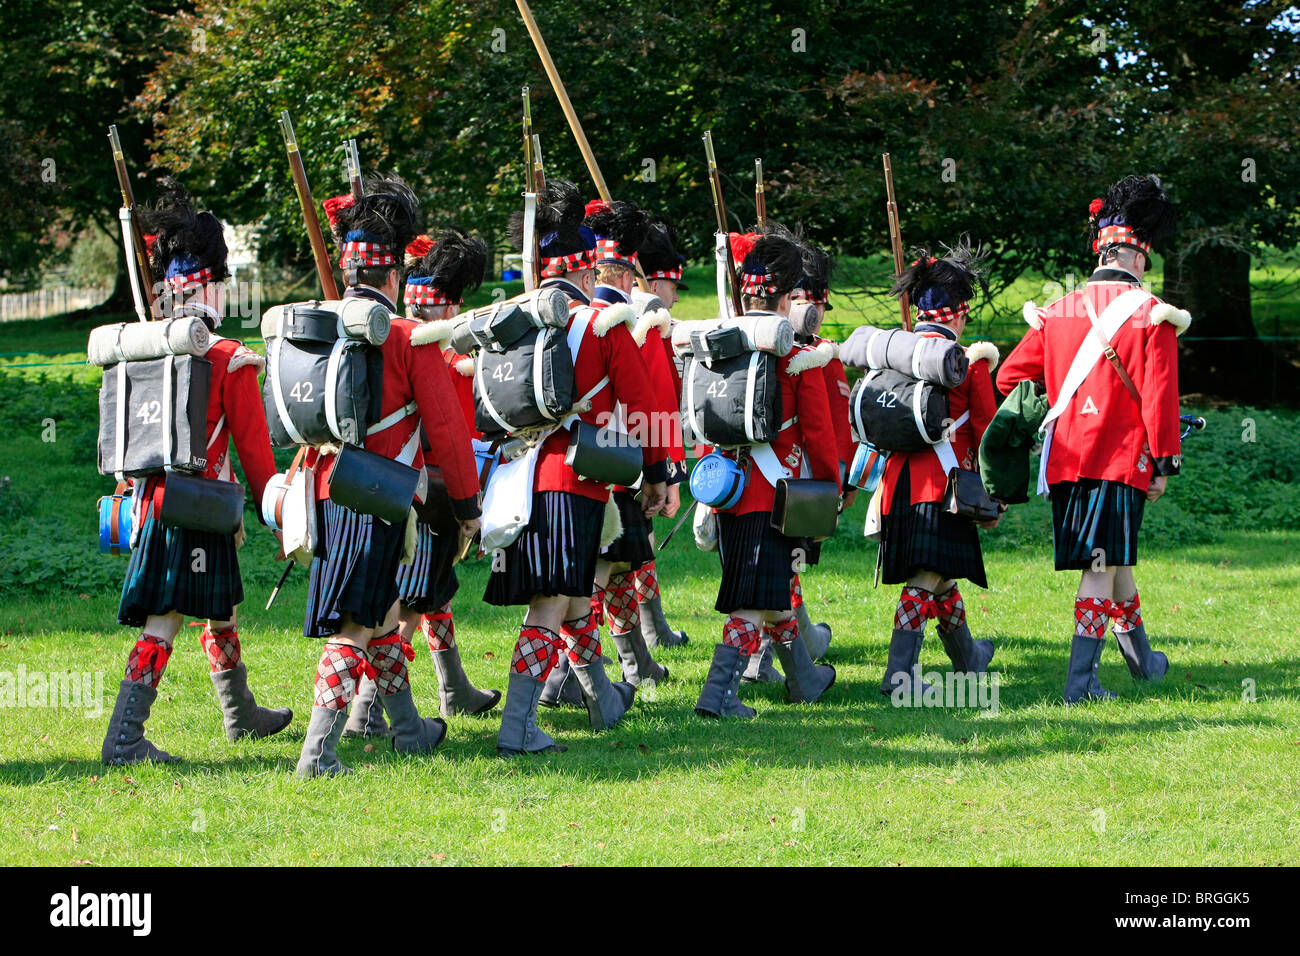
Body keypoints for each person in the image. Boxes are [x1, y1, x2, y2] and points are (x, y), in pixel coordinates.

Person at [294, 175, 482, 776]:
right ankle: (316, 753)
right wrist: (467, 505)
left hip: (323, 489)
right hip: (381, 495)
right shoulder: (409, 337)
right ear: (393, 275)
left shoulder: (314, 324)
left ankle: (407, 730)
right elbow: (449, 434)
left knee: (378, 617)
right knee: (356, 626)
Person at [100, 180, 292, 765]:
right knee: (165, 620)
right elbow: (256, 455)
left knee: (219, 609)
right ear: (209, 282)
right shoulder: (230, 359)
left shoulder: (142, 349)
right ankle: (124, 739)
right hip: (199, 504)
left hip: (154, 498)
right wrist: (278, 513)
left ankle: (241, 714)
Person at [487, 179, 671, 755]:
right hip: (578, 480)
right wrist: (661, 473)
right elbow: (643, 407)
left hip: (519, 476)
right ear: (589, 272)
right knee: (551, 602)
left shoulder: (511, 323)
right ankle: (517, 728)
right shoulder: (602, 324)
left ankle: (603, 700)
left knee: (571, 598)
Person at [997, 175, 1186, 702]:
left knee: (1115, 557)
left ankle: (1144, 663)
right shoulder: (1152, 315)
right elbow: (1159, 399)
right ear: (1136, 255)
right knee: (1101, 567)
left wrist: (1054, 409)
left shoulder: (1057, 312)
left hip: (1065, 460)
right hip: (1119, 460)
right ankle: (1080, 686)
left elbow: (1009, 379)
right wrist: (1164, 463)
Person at [341, 229, 500, 740]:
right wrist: (467, 502)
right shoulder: (439, 354)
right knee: (407, 608)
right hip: (427, 496)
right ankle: (364, 714)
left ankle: (454, 688)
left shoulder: (404, 338)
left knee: (433, 594)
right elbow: (456, 437)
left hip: (398, 490)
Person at [693, 230, 840, 719]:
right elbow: (818, 434)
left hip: (729, 487)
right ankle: (718, 696)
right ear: (783, 296)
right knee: (752, 601)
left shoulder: (721, 343)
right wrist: (830, 490)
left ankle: (805, 679)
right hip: (780, 494)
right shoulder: (800, 354)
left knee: (770, 591)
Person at [875, 243, 1001, 697]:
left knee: (941, 575)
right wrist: (996, 493)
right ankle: (899, 675)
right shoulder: (968, 363)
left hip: (897, 487)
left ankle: (969, 659)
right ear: (958, 314)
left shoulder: (895, 352)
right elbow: (988, 433)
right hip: (945, 488)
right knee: (926, 577)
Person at [628, 213, 692, 649]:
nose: (673, 299)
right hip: (634, 448)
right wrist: (669, 467)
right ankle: (651, 633)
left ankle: (653, 631)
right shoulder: (648, 316)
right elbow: (659, 400)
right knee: (633, 547)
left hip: (617, 445)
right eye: (671, 287)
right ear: (657, 283)